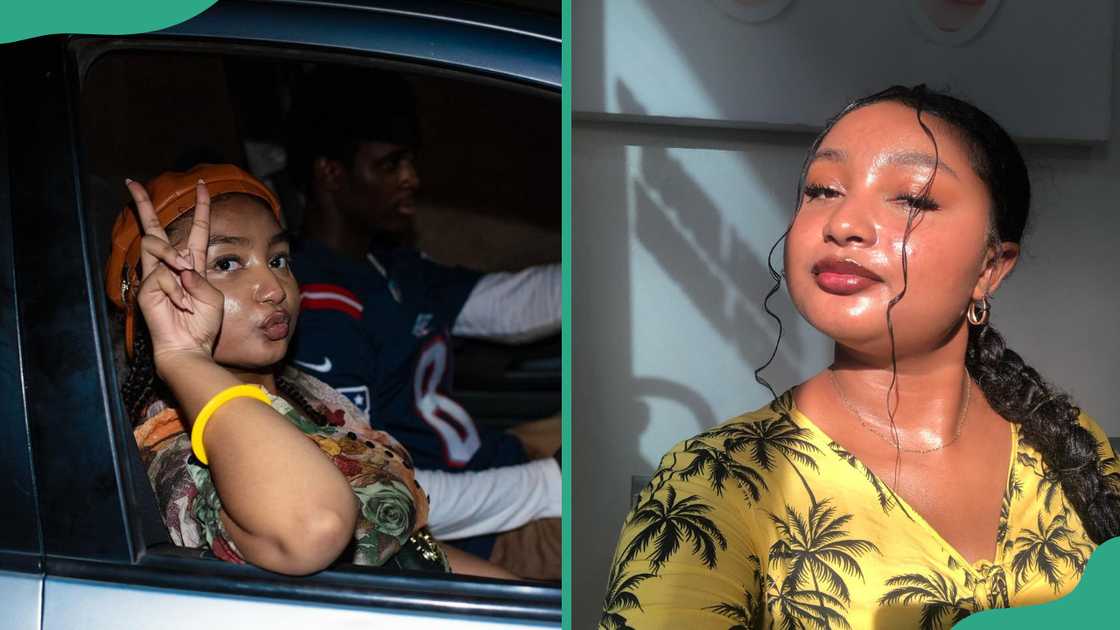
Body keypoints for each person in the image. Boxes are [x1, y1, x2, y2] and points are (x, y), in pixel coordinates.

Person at [600, 86, 1120, 629]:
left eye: (914, 198)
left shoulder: (1068, 444)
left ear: (990, 267)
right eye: (822, 190)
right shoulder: (711, 484)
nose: (843, 223)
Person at [106, 163, 512, 578]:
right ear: (153, 299)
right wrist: (184, 356)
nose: (275, 288)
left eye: (279, 259)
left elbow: (406, 549)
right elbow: (312, 526)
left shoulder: (306, 393)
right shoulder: (174, 443)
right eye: (227, 264)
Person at [283, 65, 562, 574]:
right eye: (390, 164)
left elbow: (512, 305)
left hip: (498, 463)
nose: (412, 179)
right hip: (480, 527)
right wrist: (552, 484)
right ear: (331, 173)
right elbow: (371, 492)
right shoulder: (315, 308)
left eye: (410, 160)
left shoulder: (390, 264)